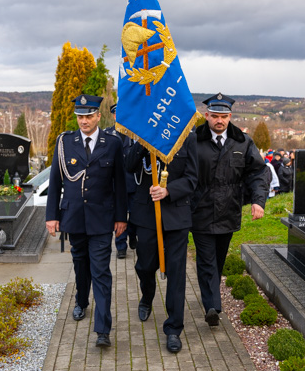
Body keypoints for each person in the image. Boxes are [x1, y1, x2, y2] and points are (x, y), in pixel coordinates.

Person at [46, 94, 127, 348]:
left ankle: (103, 330)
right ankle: (81, 301)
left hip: (102, 219)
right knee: (80, 265)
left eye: (88, 116)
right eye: (80, 116)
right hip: (73, 217)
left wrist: (120, 218)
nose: (84, 121)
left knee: (101, 271)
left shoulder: (111, 143)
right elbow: (56, 182)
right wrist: (52, 216)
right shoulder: (64, 142)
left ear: (98, 116)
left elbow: (120, 185)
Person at [192, 93, 268, 327]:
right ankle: (213, 306)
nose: (219, 121)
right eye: (215, 116)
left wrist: (258, 201)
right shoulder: (193, 140)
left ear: (230, 117)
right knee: (206, 259)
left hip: (229, 209)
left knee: (217, 260)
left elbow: (257, 173)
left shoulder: (243, 142)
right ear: (206, 116)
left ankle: (211, 298)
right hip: (200, 210)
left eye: (224, 117)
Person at [125, 134, 198, 353]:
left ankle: (174, 328)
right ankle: (147, 296)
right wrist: (143, 141)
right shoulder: (143, 135)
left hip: (176, 215)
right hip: (146, 214)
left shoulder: (188, 138)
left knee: (176, 274)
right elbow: (129, 166)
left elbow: (192, 178)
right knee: (145, 266)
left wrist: (168, 191)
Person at [105, 104, 138, 259]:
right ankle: (121, 246)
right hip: (115, 184)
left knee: (134, 214)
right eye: (117, 114)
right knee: (119, 214)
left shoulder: (136, 133)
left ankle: (132, 233)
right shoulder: (107, 134)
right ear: (114, 116)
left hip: (133, 182)